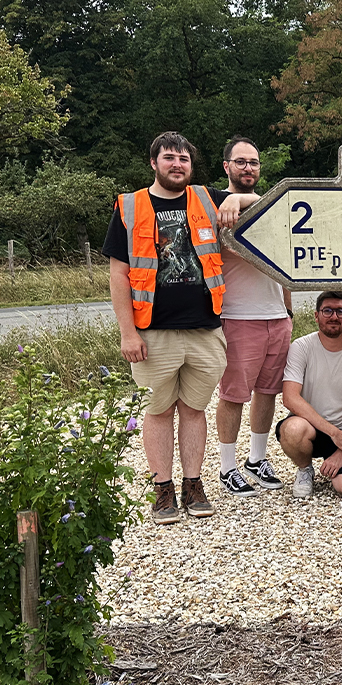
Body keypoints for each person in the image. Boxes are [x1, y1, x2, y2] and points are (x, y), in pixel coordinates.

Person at [102, 131, 257, 525]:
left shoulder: (206, 198)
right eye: (169, 158)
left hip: (205, 330)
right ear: (153, 163)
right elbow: (118, 275)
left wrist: (235, 199)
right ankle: (163, 490)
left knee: (194, 409)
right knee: (157, 412)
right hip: (152, 332)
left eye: (183, 159)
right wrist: (127, 333)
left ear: (191, 165)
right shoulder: (130, 206)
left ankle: (193, 485)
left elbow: (261, 201)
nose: (177, 164)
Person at [215, 136, 293, 498]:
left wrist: (288, 310)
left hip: (277, 316)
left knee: (268, 391)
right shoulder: (218, 207)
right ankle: (227, 467)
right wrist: (232, 199)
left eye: (254, 162)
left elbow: (285, 265)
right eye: (241, 162)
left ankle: (256, 459)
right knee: (234, 395)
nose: (248, 168)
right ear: (227, 166)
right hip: (238, 316)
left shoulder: (269, 206)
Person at [276, 291, 342, 500]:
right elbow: (290, 398)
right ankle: (305, 469)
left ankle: (341, 465)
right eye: (327, 311)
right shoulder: (301, 347)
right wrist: (333, 432)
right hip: (311, 428)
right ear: (316, 316)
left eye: (340, 311)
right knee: (293, 430)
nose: (334, 316)